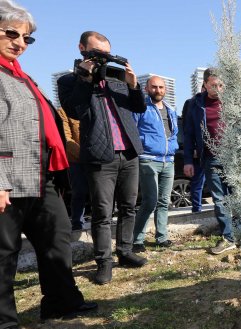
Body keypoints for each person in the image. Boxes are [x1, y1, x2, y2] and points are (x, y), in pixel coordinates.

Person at [0, 1, 98, 329]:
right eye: (12, 33)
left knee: (56, 240)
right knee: (4, 255)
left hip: (42, 175)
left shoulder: (20, 75)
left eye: (26, 38)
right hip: (8, 179)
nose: (20, 43)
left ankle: (60, 303)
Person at [58, 31, 148, 285]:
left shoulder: (116, 77)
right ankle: (104, 262)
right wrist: (84, 78)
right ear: (82, 49)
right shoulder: (69, 81)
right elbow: (73, 109)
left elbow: (138, 107)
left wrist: (133, 85)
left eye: (106, 54)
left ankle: (126, 252)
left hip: (129, 152)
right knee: (102, 212)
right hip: (100, 156)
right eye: (97, 52)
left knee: (129, 206)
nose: (102, 58)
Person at [183, 68, 236, 255]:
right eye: (213, 85)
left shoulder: (231, 103)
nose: (217, 89)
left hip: (233, 158)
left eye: (221, 85)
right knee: (219, 199)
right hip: (211, 158)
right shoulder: (195, 105)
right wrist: (188, 160)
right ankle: (228, 237)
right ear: (204, 85)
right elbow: (188, 134)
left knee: (236, 196)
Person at [132, 76, 179, 252]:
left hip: (169, 161)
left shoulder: (170, 109)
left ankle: (162, 237)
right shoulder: (141, 107)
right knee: (149, 201)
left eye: (161, 87)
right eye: (154, 87)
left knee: (164, 202)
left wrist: (173, 148)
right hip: (148, 160)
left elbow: (174, 133)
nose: (158, 90)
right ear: (146, 88)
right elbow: (133, 131)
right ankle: (137, 240)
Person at [55, 107, 89, 230]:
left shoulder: (91, 105)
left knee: (100, 193)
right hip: (76, 159)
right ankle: (77, 223)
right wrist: (85, 155)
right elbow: (66, 138)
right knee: (78, 192)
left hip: (95, 157)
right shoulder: (63, 111)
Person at [181, 89, 206, 213]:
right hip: (198, 153)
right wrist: (193, 149)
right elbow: (187, 129)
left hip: (215, 152)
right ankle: (197, 209)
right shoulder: (191, 103)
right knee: (198, 182)